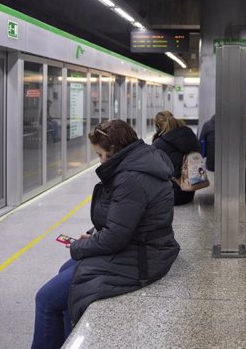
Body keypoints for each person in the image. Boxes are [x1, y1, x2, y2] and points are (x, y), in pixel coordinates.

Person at [32, 119, 180, 349]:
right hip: (142, 245)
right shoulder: (140, 162)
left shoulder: (131, 178)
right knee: (65, 271)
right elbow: (124, 218)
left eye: (101, 155)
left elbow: (115, 238)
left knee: (46, 299)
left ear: (114, 150)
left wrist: (78, 246)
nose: (99, 161)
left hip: (141, 258)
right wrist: (94, 234)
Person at [152, 110, 201, 205]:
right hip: (189, 191)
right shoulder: (190, 135)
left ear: (158, 126)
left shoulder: (158, 144)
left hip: (170, 196)